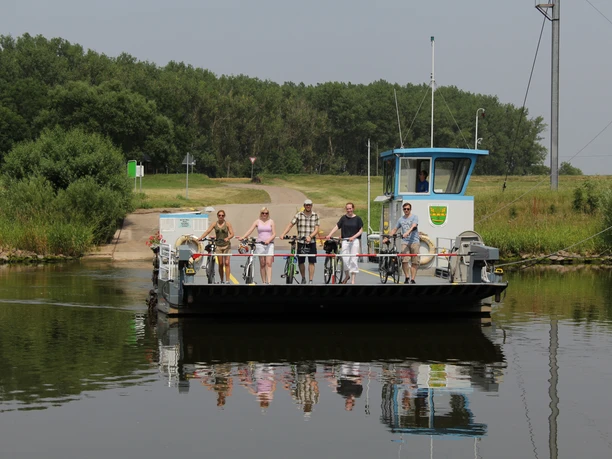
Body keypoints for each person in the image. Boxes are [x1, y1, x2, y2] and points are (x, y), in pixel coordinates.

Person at [280, 199, 320, 284]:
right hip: (301, 242)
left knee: (311, 261)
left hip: (311, 242)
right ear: (304, 205)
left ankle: (311, 280)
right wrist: (283, 234)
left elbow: (317, 229)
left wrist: (310, 236)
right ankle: (303, 278)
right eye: (306, 205)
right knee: (301, 261)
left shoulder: (315, 215)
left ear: (311, 205)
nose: (308, 206)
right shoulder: (299, 215)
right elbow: (290, 225)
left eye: (309, 205)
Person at [326, 202, 363, 284]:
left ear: (353, 208)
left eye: (350, 208)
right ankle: (347, 275)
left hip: (354, 241)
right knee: (345, 258)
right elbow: (337, 226)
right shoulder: (343, 218)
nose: (349, 210)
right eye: (347, 209)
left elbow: (361, 230)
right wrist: (330, 234)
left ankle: (353, 279)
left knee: (354, 259)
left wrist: (353, 237)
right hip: (345, 240)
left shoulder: (358, 219)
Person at [239, 207, 276, 284]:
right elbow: (250, 230)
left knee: (268, 263)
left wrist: (269, 240)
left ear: (268, 214)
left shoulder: (271, 221)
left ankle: (269, 282)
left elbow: (274, 233)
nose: (264, 215)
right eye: (263, 213)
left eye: (266, 213)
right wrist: (243, 236)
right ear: (261, 213)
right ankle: (264, 282)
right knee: (262, 263)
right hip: (260, 244)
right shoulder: (257, 221)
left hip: (269, 244)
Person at [199, 210, 234, 284]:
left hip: (226, 245)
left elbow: (232, 233)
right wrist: (201, 238)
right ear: (217, 216)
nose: (221, 217)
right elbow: (207, 231)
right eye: (219, 215)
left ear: (224, 216)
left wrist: (228, 238)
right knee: (220, 263)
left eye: (222, 215)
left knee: (227, 263)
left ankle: (227, 280)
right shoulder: (214, 224)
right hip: (218, 245)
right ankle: (222, 280)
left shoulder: (227, 224)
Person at [388, 202, 419, 284]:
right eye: (405, 209)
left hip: (414, 241)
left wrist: (407, 232)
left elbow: (414, 226)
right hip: (405, 242)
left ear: (410, 209)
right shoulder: (401, 219)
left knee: (414, 261)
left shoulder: (414, 217)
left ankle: (412, 279)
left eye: (408, 209)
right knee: (404, 260)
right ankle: (407, 277)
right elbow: (395, 228)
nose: (406, 210)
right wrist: (387, 237)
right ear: (403, 210)